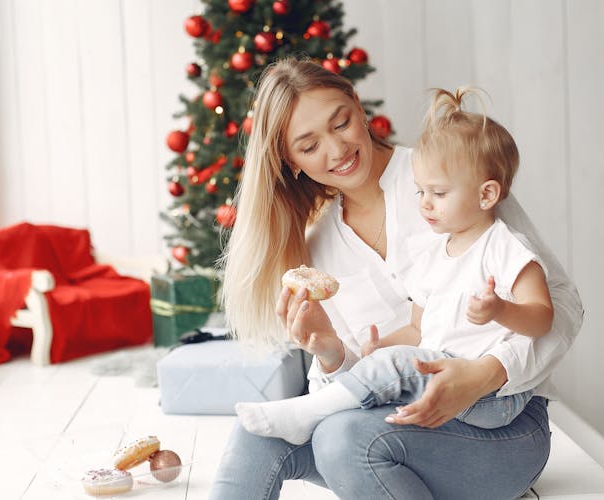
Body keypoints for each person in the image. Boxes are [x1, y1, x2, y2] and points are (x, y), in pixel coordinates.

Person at [210, 57, 583, 500]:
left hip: (502, 427)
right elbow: (352, 385)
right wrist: (330, 354)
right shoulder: (319, 246)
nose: (337, 149)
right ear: (290, 162)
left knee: (343, 438)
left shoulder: (448, 173)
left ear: (357, 103)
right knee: (257, 433)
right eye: (309, 146)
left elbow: (561, 304)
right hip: (392, 426)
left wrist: (486, 374)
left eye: (341, 122)